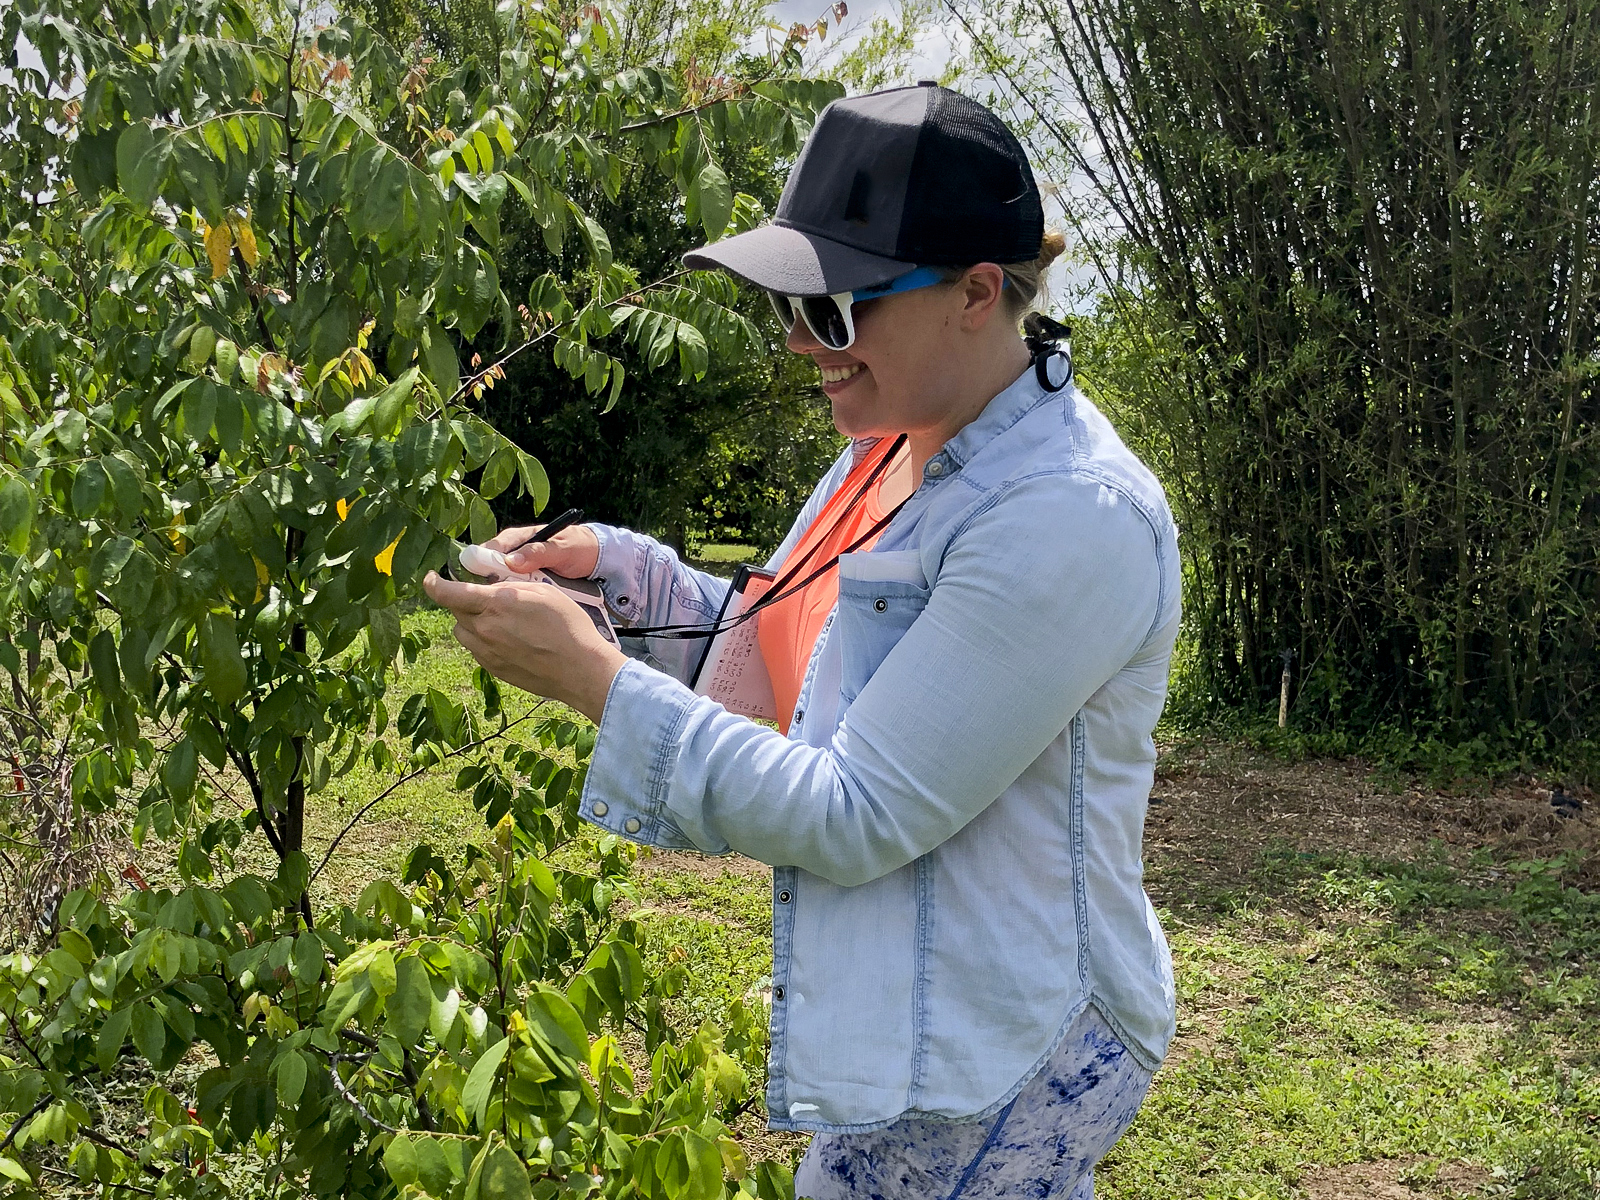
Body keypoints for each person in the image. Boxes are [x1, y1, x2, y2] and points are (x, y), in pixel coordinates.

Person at [424, 83, 1180, 1200]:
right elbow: (782, 654)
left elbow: (857, 811)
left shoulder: (1066, 517)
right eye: (792, 303)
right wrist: (620, 576)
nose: (795, 341)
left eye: (832, 308)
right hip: (929, 1009)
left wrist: (597, 687)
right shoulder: (898, 443)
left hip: (1004, 1042)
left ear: (976, 293)